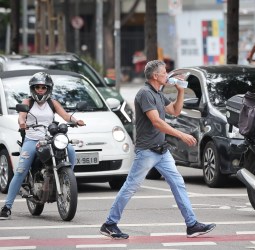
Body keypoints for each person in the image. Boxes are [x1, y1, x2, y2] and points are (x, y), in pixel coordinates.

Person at [99, 60, 216, 239]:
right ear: (155, 76)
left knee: (178, 184)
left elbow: (175, 112)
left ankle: (192, 225)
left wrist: (181, 91)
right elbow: (157, 122)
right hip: (147, 151)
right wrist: (181, 135)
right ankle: (109, 223)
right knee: (130, 187)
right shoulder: (145, 93)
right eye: (164, 72)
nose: (167, 74)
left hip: (162, 151)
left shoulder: (158, 94)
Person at [0, 72, 85, 220]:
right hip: (32, 140)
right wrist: (22, 122)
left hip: (51, 139)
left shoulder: (53, 103)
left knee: (70, 150)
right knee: (20, 171)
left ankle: (66, 180)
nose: (40, 90)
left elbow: (65, 116)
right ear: (33, 88)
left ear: (48, 89)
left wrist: (76, 120)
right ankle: (7, 207)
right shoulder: (28, 102)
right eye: (37, 87)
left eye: (43, 87)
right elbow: (21, 115)